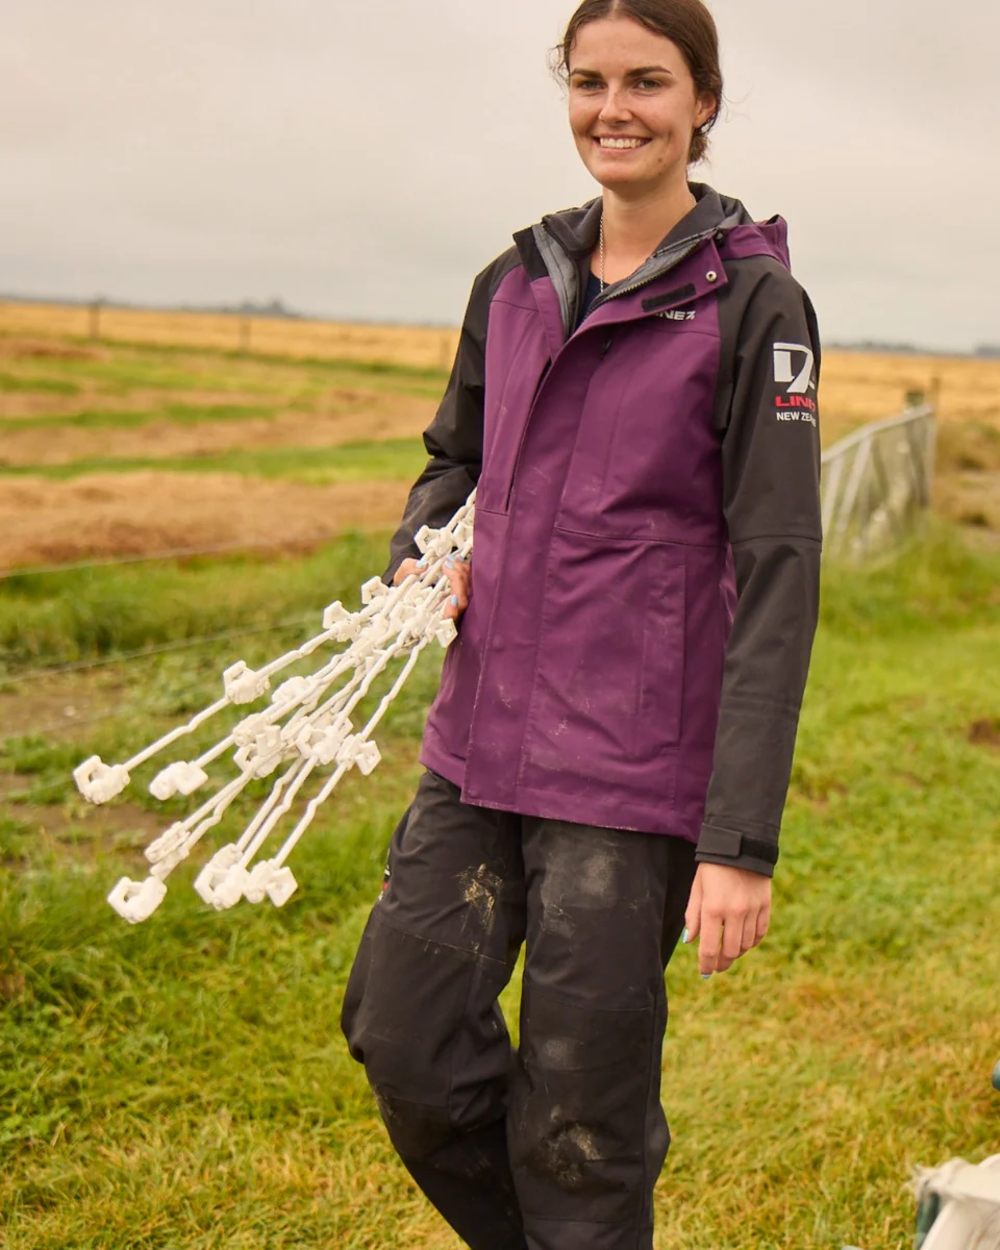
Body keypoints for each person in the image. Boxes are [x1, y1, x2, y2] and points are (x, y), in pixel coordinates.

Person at [341, 1, 822, 1247]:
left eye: (648, 82)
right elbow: (452, 461)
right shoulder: (512, 282)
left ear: (701, 102)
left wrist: (740, 840)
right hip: (476, 748)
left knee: (581, 1121)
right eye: (590, 80)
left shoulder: (754, 307)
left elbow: (779, 573)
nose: (615, 109)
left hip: (627, 778)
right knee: (402, 1036)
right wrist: (421, 552)